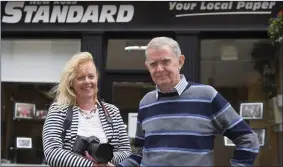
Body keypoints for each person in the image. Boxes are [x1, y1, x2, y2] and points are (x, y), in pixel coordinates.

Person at [115, 37, 260, 166]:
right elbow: (140, 152)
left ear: (180, 62)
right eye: (153, 64)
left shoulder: (207, 96)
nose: (159, 69)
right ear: (148, 67)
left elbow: (247, 139)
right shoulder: (146, 102)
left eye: (166, 61)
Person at [42, 52, 131, 167]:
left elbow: (126, 152)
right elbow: (52, 152)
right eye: (80, 78)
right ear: (71, 83)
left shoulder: (112, 112)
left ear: (97, 79)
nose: (87, 82)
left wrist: (104, 160)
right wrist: (90, 165)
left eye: (91, 76)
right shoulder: (58, 110)